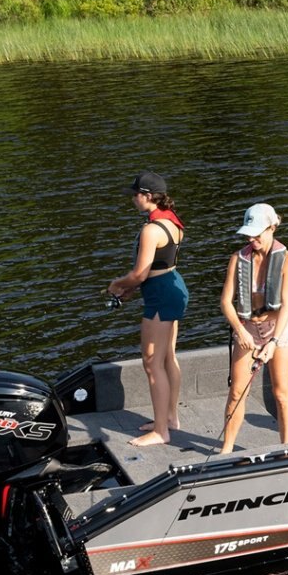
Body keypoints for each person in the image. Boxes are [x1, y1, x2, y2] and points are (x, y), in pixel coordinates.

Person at [107, 171, 188, 446]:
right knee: (168, 358)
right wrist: (132, 288)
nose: (133, 199)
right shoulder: (171, 221)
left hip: (160, 297)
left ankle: (161, 431)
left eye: (135, 195)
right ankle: (170, 418)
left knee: (152, 363)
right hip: (171, 288)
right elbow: (158, 266)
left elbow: (139, 273)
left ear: (148, 196)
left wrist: (117, 284)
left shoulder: (151, 230)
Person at [218, 203, 288, 453]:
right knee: (236, 392)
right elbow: (226, 302)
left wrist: (273, 343)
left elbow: (286, 306)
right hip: (248, 329)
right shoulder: (237, 259)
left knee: (281, 393)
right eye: (248, 234)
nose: (252, 239)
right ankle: (226, 450)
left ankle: (287, 451)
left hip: (278, 328)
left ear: (272, 227)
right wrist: (240, 330)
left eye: (257, 234)